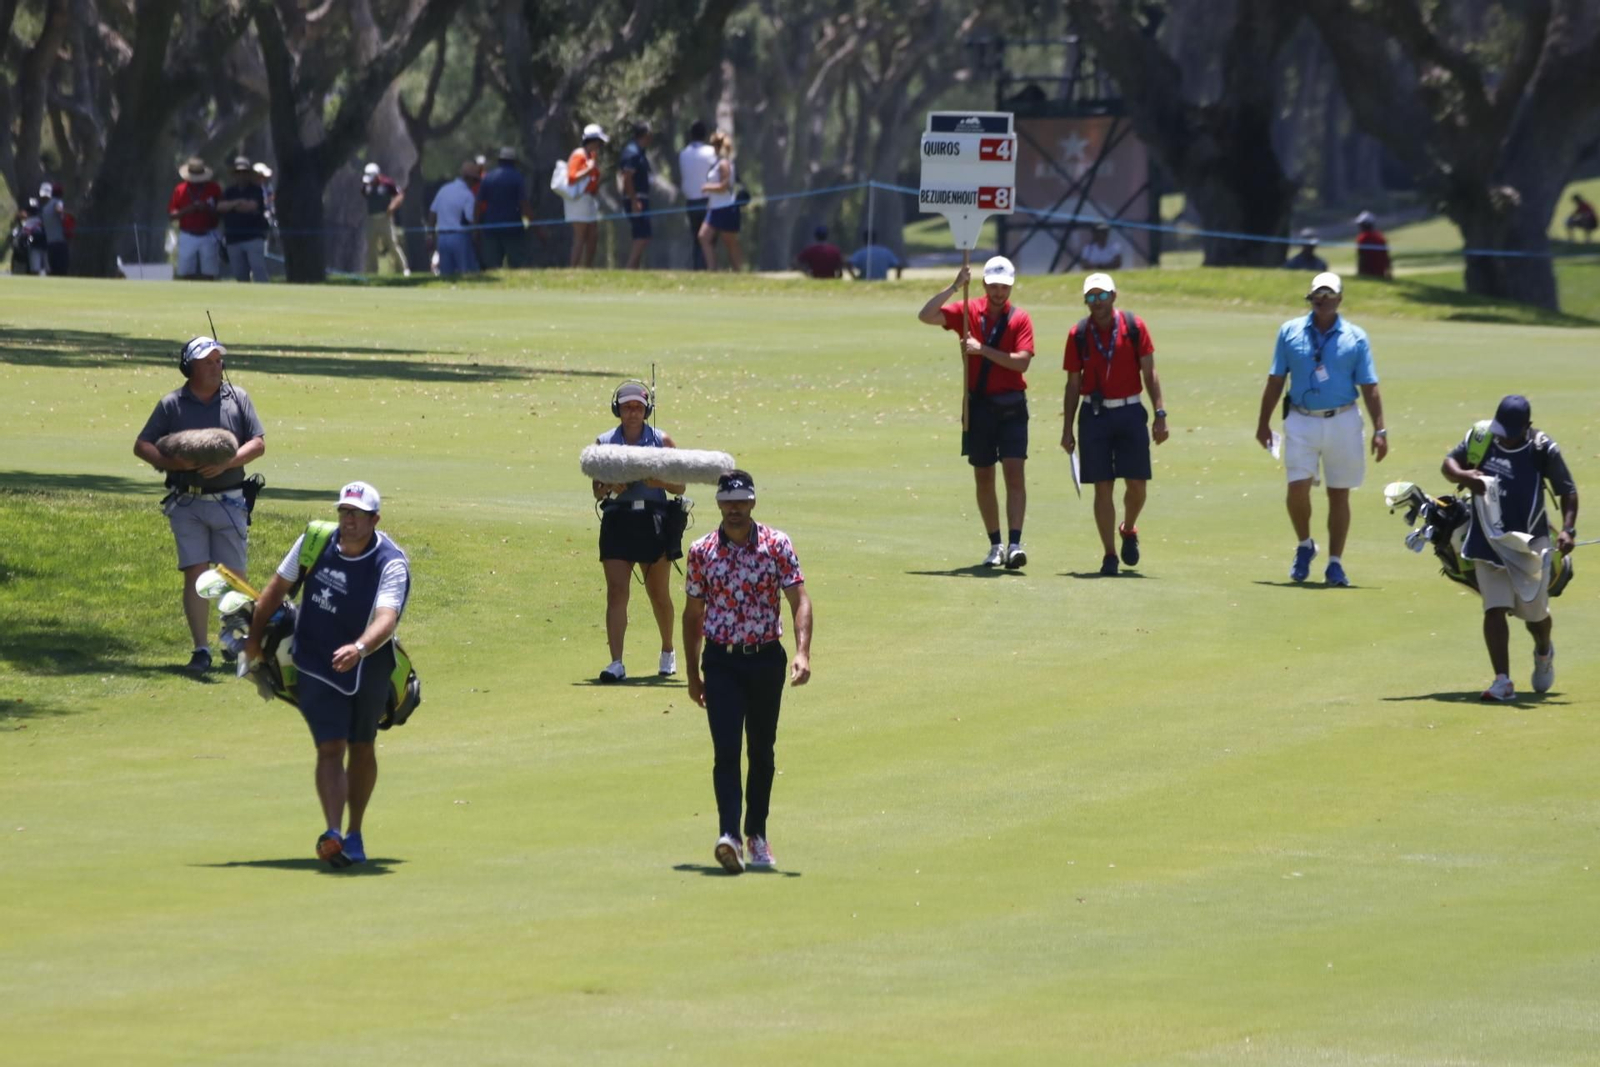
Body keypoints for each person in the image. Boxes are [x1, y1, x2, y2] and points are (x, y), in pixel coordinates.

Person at [243, 482, 411, 868]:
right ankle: (333, 832)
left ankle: (355, 832)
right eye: (344, 512)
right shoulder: (315, 540)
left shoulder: (391, 562)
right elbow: (276, 588)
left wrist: (360, 648)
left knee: (361, 745)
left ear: (375, 519)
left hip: (368, 664)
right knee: (330, 746)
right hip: (316, 660)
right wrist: (254, 639)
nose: (348, 520)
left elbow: (386, 618)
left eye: (357, 514)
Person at [682, 470, 813, 874]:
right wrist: (692, 673)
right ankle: (729, 837)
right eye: (728, 501)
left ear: (753, 502)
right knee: (725, 750)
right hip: (721, 661)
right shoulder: (701, 550)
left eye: (741, 501)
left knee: (761, 749)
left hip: (765, 658)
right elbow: (692, 615)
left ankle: (756, 833)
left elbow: (799, 601)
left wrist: (803, 653)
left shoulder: (776, 544)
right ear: (718, 504)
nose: (734, 509)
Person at [133, 336, 267, 674]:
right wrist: (173, 465)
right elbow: (142, 445)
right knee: (196, 574)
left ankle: (235, 642)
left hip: (231, 500)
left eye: (218, 360)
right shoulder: (172, 404)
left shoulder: (238, 398)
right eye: (208, 362)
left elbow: (258, 443)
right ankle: (200, 649)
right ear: (189, 367)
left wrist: (227, 462)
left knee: (234, 577)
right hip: (187, 502)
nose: (216, 366)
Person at [1440, 396, 1579, 702]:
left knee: (1535, 616)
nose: (1503, 435)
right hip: (1487, 539)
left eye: (1511, 431)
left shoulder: (1542, 448)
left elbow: (1567, 490)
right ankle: (1502, 680)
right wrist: (1464, 476)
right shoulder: (1483, 437)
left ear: (1526, 427)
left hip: (1530, 544)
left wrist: (1567, 530)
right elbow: (1449, 464)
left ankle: (1544, 650)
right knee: (1494, 608)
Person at [1254, 271, 1387, 586]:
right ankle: (1305, 545)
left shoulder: (1356, 337)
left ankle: (1335, 563)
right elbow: (1276, 380)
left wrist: (1380, 430)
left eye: (1329, 295)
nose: (1323, 299)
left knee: (1338, 494)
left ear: (1339, 299)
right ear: (1311, 298)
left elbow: (1370, 386)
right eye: (1318, 294)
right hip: (1300, 419)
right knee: (1296, 488)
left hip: (1343, 420)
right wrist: (1263, 423)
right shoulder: (1290, 332)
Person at [917, 256, 1037, 568]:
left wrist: (982, 349)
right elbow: (926, 315)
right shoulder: (969, 309)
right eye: (994, 286)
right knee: (983, 476)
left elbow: (1022, 361)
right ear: (984, 284)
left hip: (1012, 404)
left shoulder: (1020, 319)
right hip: (979, 406)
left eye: (1004, 287)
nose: (999, 292)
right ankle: (995, 544)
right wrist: (956, 286)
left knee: (1014, 473)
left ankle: (1015, 543)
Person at [1061, 272, 1170, 575]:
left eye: (1102, 295)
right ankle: (1109, 554)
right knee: (1102, 487)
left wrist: (1160, 413)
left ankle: (1129, 528)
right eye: (1091, 297)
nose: (1097, 302)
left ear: (1114, 296)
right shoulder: (1078, 334)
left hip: (1129, 411)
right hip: (1093, 415)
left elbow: (1150, 372)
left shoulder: (1134, 327)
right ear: (1086, 300)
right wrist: (1067, 428)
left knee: (1137, 485)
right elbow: (1072, 384)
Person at [591, 381, 685, 683]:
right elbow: (597, 490)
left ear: (647, 410)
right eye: (627, 407)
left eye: (638, 407)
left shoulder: (661, 440)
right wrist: (611, 486)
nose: (633, 412)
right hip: (618, 520)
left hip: (653, 520)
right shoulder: (605, 442)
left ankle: (668, 649)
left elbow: (680, 485)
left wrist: (660, 482)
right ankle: (616, 661)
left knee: (658, 593)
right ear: (617, 409)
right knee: (617, 592)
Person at [168, 157, 222, 280]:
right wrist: (188, 210)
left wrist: (207, 208)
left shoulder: (214, 188)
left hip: (209, 233)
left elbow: (221, 211)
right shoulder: (180, 189)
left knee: (209, 271)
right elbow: (172, 215)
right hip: (187, 234)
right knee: (185, 271)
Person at [477, 146, 531, 269]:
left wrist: (476, 225)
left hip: (491, 228)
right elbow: (524, 203)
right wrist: (534, 223)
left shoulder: (488, 178)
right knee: (517, 265)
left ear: (499, 160)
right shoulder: (517, 178)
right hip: (513, 227)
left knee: (492, 266)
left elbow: (478, 203)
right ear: (514, 162)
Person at [219, 157, 270, 283]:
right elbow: (220, 207)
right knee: (240, 275)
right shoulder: (229, 191)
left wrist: (231, 206)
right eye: (238, 172)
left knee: (259, 272)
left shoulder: (256, 190)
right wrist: (238, 202)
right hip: (233, 239)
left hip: (253, 237)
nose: (241, 175)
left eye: (244, 172)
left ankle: (267, 299)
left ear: (248, 174)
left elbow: (251, 206)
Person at [697, 130, 743, 272]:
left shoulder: (724, 163)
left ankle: (739, 271)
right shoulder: (717, 162)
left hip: (726, 207)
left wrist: (707, 187)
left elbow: (724, 186)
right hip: (715, 207)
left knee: (730, 243)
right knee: (703, 237)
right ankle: (712, 269)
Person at [427, 159, 480, 276]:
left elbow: (432, 212)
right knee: (465, 273)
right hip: (460, 237)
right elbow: (470, 219)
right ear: (470, 179)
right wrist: (476, 236)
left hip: (442, 238)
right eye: (475, 180)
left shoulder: (444, 189)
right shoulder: (468, 195)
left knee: (446, 275)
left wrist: (430, 234)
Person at [566, 123, 607, 269]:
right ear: (593, 141)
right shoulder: (579, 154)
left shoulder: (591, 156)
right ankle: (573, 269)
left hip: (588, 198)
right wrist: (589, 170)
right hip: (578, 200)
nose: (600, 146)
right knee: (580, 236)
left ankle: (587, 268)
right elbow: (572, 177)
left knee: (592, 235)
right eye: (599, 142)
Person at [362, 162, 411, 277]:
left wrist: (392, 206)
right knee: (371, 247)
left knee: (392, 244)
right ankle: (371, 272)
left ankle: (403, 269)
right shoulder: (366, 185)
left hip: (385, 218)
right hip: (371, 219)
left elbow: (399, 195)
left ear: (377, 175)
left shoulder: (387, 183)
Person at [679, 121, 716, 270]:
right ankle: (707, 268)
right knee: (708, 239)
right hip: (708, 200)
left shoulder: (683, 153)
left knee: (696, 238)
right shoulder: (711, 152)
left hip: (690, 201)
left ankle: (697, 268)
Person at [617, 122, 654, 270]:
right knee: (642, 237)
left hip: (640, 198)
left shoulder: (639, 151)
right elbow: (627, 178)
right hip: (636, 198)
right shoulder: (632, 152)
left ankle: (634, 271)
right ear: (644, 135)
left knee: (641, 235)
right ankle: (629, 269)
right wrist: (634, 201)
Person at [37, 182, 68, 276]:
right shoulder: (58, 202)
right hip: (60, 242)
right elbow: (59, 209)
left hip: (50, 243)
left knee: (53, 270)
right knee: (62, 269)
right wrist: (69, 214)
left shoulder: (45, 208)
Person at [1354, 210, 1392, 279]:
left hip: (1368, 274)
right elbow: (1386, 257)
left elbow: (1362, 258)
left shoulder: (1363, 238)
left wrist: (1359, 273)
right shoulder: (1379, 236)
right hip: (1380, 273)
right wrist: (1389, 272)